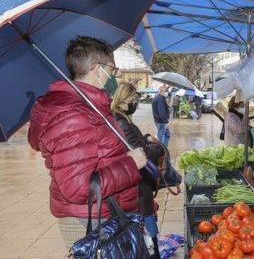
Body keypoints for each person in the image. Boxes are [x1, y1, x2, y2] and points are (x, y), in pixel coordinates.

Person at [27, 36, 147, 249]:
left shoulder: (91, 106)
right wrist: (130, 164)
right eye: (112, 69)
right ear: (97, 69)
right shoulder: (73, 115)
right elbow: (78, 187)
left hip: (106, 213)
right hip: (92, 220)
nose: (114, 74)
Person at [111, 82, 164, 258]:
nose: (135, 103)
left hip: (139, 187)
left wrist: (145, 138)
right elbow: (142, 153)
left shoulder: (120, 119)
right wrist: (159, 148)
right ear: (123, 100)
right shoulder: (123, 123)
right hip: (139, 189)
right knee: (149, 235)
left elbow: (133, 143)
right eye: (132, 99)